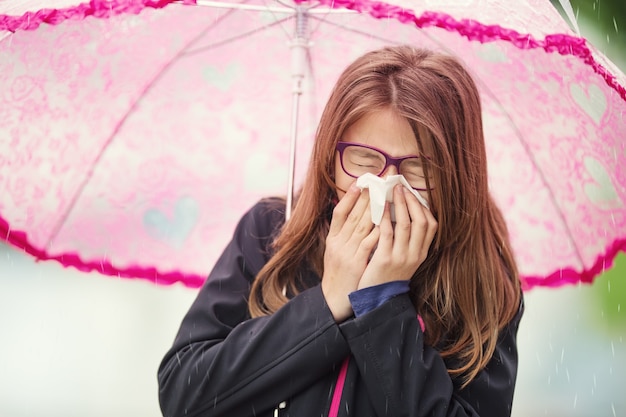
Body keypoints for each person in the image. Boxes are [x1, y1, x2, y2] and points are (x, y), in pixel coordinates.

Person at [158, 45, 523, 417]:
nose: (388, 185)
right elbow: (184, 396)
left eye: (418, 169)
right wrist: (329, 299)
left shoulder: (484, 279)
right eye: (364, 160)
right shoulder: (272, 232)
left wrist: (382, 304)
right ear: (330, 157)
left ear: (456, 173)